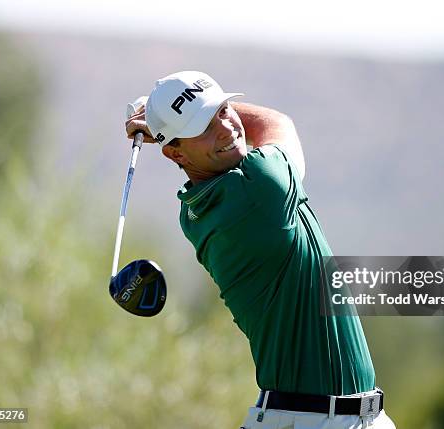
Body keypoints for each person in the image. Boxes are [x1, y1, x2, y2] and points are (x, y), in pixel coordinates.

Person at [125, 71, 396, 429]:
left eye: (223, 109)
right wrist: (161, 116)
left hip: (314, 417)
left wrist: (169, 116)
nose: (226, 127)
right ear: (175, 152)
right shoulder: (258, 190)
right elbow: (277, 122)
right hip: (314, 420)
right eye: (203, 126)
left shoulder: (196, 210)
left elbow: (234, 133)